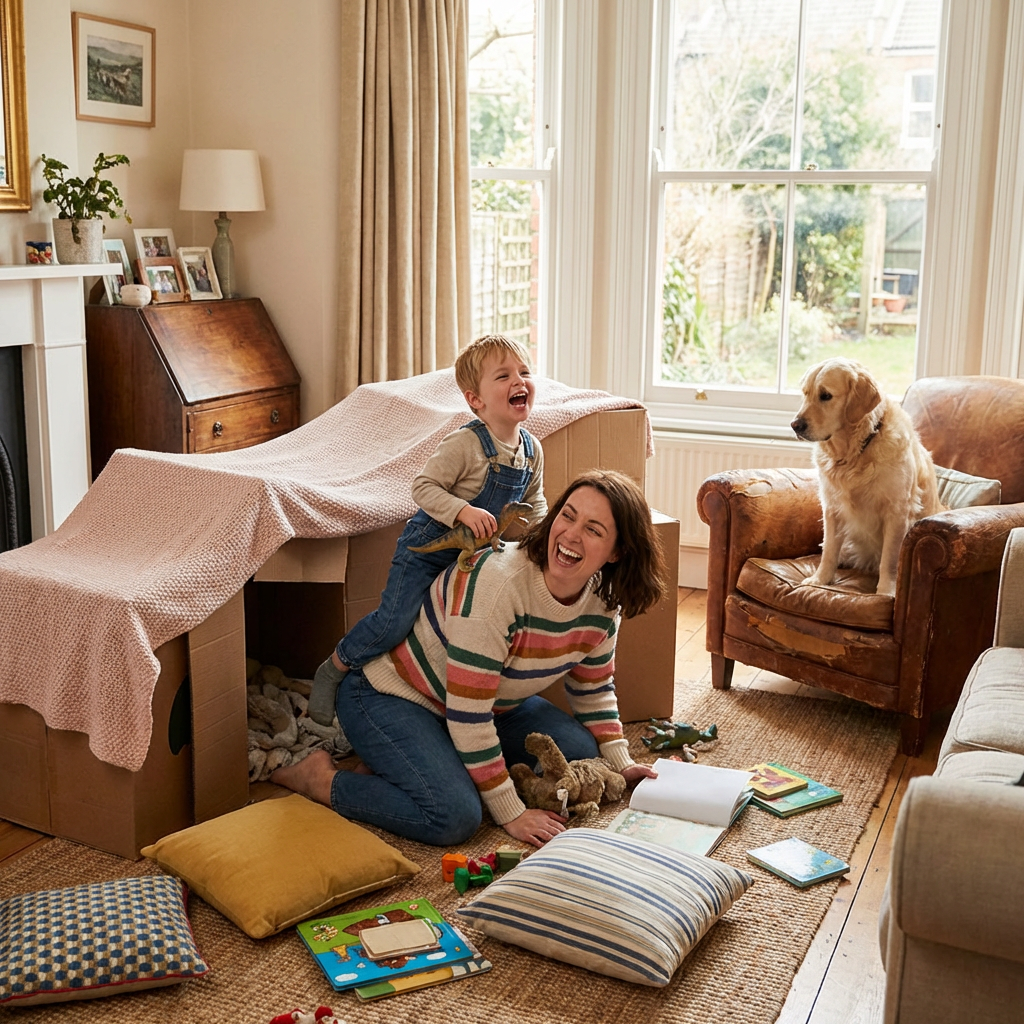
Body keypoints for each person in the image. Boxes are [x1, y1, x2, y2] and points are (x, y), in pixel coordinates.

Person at [272, 470, 665, 848]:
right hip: (389, 694)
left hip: (484, 703)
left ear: (617, 552)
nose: (571, 535)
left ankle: (414, 760)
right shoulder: (498, 585)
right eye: (568, 515)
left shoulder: (603, 601)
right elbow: (468, 714)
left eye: (593, 530)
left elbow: (592, 686)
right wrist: (510, 812)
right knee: (455, 815)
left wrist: (621, 761)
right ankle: (321, 780)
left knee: (578, 751)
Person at [305, 334, 548, 726]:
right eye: (503, 376)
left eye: (524, 372)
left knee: (458, 631)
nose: (519, 381)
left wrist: (540, 540)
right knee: (395, 623)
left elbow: (534, 503)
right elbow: (423, 487)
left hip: (476, 560)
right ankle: (335, 666)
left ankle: (438, 700)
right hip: (428, 551)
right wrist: (462, 510)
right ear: (476, 399)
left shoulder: (532, 450)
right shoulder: (466, 444)